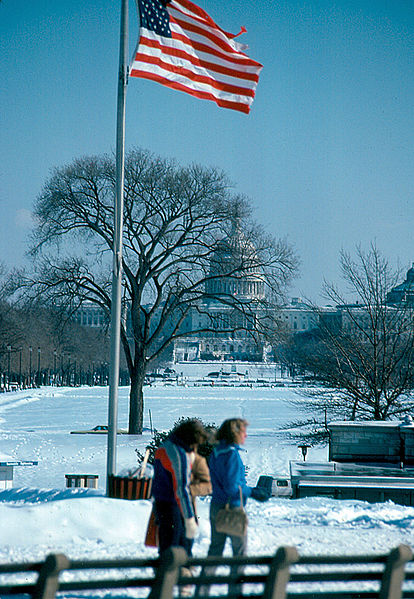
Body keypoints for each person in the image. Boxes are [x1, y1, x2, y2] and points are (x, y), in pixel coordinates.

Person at [197, 418, 269, 596]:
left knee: (215, 551)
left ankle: (202, 591)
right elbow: (232, 487)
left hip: (216, 506)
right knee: (239, 554)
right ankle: (235, 593)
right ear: (235, 434)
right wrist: (252, 492)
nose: (245, 435)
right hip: (232, 509)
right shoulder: (231, 455)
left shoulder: (216, 452)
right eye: (243, 431)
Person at [152, 418, 207, 555]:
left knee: (166, 546)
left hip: (161, 504)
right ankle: (180, 573)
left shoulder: (164, 447)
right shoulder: (178, 454)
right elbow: (181, 488)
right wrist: (189, 519)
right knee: (179, 548)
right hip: (174, 506)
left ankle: (166, 572)